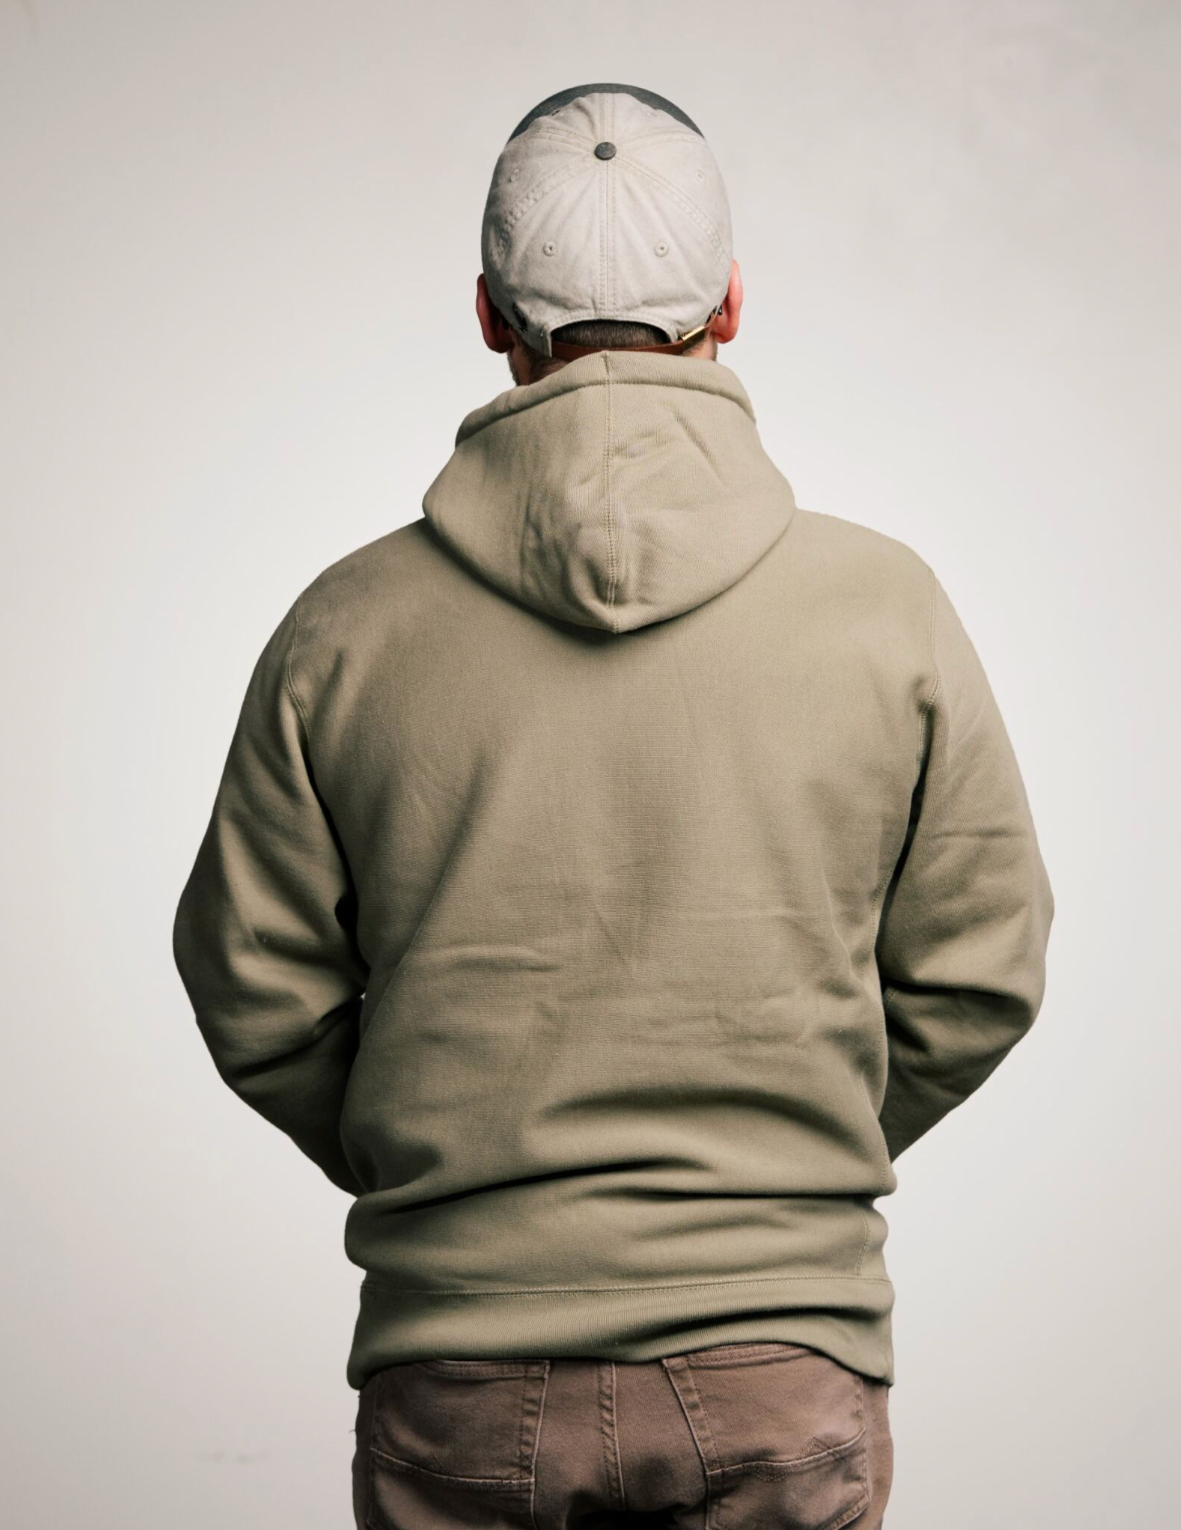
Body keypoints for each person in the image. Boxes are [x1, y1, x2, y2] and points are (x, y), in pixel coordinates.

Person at [173, 82, 1055, 1529]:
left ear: (487, 313)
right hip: (782, 1363)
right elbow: (980, 970)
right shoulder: (884, 611)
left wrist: (449, 1161)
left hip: (458, 1366)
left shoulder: (346, 628)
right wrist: (784, 1156)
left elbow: (250, 987)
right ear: (730, 303)